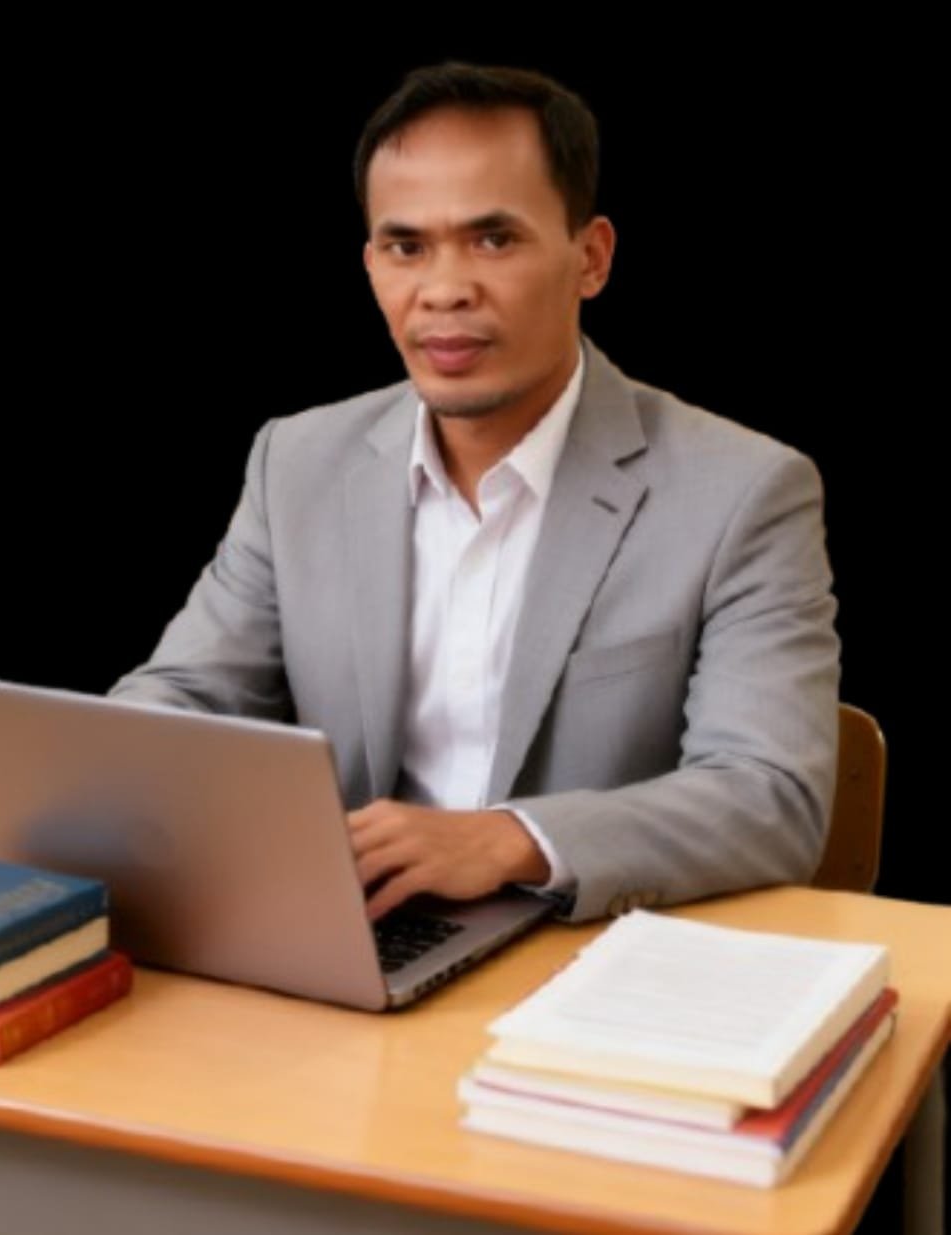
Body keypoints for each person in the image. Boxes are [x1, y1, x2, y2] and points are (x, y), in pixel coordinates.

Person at [110, 62, 840, 925]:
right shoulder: (297, 462)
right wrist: (113, 769)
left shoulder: (745, 491)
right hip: (357, 935)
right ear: (371, 263)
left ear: (591, 258)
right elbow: (182, 701)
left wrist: (507, 839)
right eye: (406, 247)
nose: (444, 289)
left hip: (590, 945)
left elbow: (770, 794)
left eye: (493, 239)